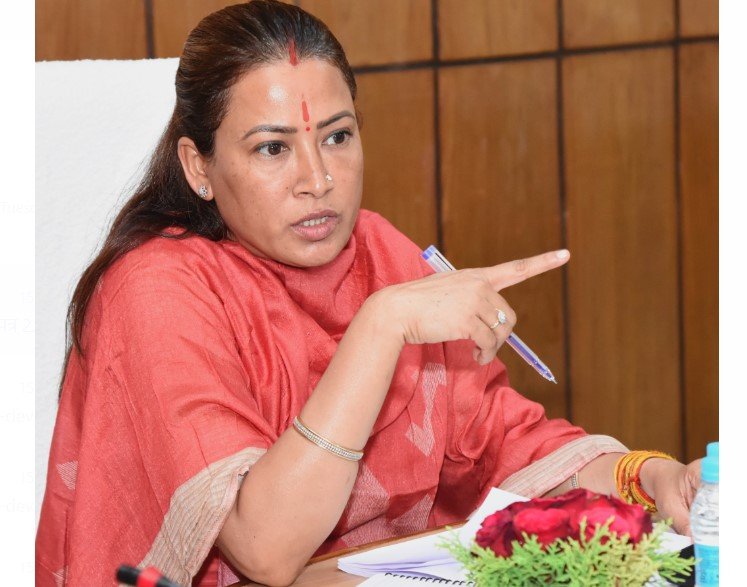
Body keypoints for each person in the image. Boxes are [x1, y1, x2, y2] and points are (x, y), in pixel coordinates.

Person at [35, 2, 702, 586]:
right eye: (272, 149)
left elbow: (506, 444)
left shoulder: (381, 252)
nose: (317, 179)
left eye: (336, 136)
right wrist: (380, 327)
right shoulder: (155, 289)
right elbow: (265, 549)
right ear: (197, 166)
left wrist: (649, 479)